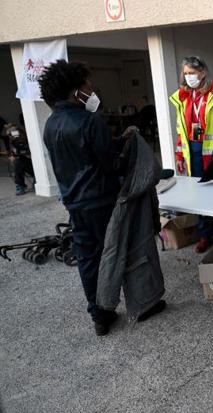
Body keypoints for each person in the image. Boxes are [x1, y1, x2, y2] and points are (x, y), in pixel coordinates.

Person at [38, 60, 165, 336]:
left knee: (89, 257)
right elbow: (112, 165)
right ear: (76, 92)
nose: (91, 90)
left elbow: (84, 156)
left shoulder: (50, 125)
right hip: (103, 201)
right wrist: (128, 148)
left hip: (75, 203)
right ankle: (143, 304)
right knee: (125, 249)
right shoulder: (89, 121)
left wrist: (118, 140)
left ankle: (100, 314)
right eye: (87, 86)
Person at [169, 56, 213, 253]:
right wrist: (179, 156)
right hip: (193, 151)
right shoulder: (183, 97)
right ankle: (205, 234)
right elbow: (181, 130)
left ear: (202, 73)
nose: (188, 77)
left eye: (192, 73)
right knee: (200, 195)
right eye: (185, 73)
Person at [2, 123, 34, 195]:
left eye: (12, 133)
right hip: (22, 160)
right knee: (18, 164)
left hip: (31, 161)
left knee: (19, 163)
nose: (11, 136)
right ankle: (20, 185)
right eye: (9, 135)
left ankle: (36, 180)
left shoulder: (26, 138)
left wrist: (28, 154)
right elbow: (13, 151)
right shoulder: (13, 141)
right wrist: (11, 156)